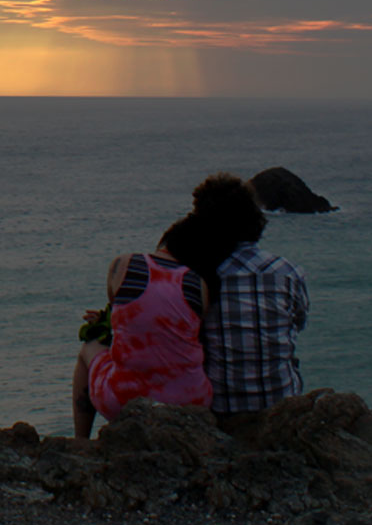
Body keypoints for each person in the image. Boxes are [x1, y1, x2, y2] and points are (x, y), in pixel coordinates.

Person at [70, 215, 218, 439]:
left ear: (165, 241)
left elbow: (129, 319)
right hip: (192, 402)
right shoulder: (199, 285)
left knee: (88, 349)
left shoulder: (123, 265)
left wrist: (103, 320)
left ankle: (80, 440)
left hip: (126, 400)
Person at [188, 172, 310, 419]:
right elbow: (298, 322)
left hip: (221, 409)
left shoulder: (194, 277)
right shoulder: (287, 271)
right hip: (281, 406)